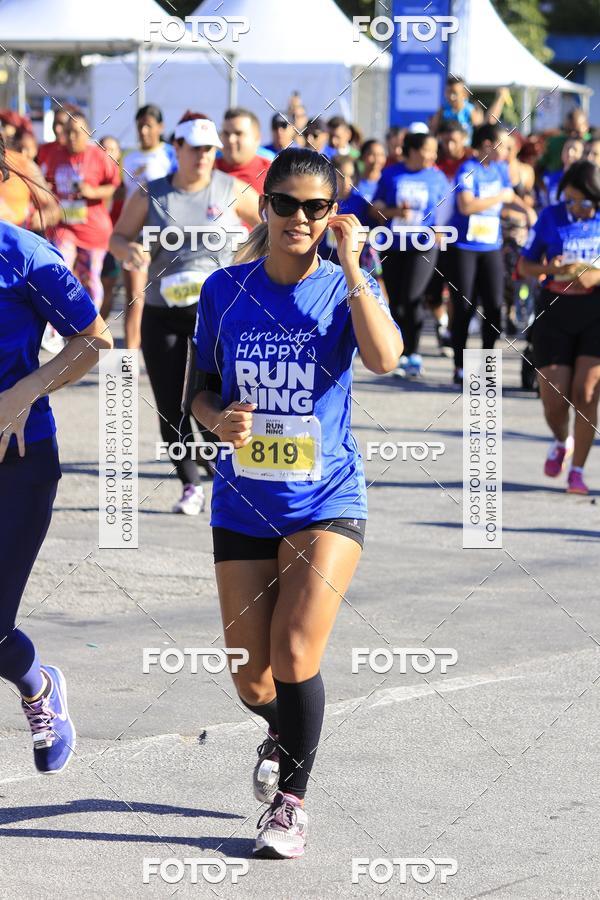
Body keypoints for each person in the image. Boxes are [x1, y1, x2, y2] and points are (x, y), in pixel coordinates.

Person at [191, 147, 402, 859]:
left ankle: (291, 804)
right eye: (286, 203)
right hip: (243, 501)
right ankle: (281, 730)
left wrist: (353, 268)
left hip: (328, 498)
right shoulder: (224, 289)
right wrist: (217, 420)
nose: (300, 218)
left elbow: (385, 359)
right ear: (267, 205)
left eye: (317, 207)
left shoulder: (350, 286)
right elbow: (200, 390)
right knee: (251, 676)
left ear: (332, 214)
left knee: (293, 649)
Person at [0, 132, 113, 774]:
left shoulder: (23, 254)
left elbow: (93, 342)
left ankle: (40, 687)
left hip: (19, 460)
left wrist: (24, 388)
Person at [110, 113, 261, 514]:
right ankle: (190, 484)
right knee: (171, 402)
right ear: (176, 148)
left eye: (210, 149)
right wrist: (129, 251)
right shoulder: (151, 193)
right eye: (195, 148)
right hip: (164, 313)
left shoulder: (231, 188)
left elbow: (268, 229)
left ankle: (224, 475)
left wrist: (248, 264)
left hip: (217, 316)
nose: (204, 156)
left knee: (216, 399)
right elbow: (118, 237)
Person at [519, 160, 600, 495]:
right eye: (571, 200)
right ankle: (559, 440)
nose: (576, 208)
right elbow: (525, 265)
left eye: (584, 202)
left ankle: (578, 471)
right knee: (554, 399)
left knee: (586, 392)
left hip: (596, 312)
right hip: (554, 309)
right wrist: (548, 267)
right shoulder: (551, 216)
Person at [373, 131, 450, 377]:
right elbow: (377, 208)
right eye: (428, 150)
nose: (433, 155)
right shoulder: (392, 173)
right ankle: (400, 352)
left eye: (434, 151)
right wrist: (395, 211)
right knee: (396, 300)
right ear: (413, 151)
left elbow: (448, 209)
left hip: (424, 245)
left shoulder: (437, 178)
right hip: (394, 245)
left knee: (413, 296)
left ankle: (414, 353)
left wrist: (441, 228)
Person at [446, 124, 514, 385]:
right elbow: (466, 206)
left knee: (495, 307)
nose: (506, 151)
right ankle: (460, 366)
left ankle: (487, 366)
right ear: (487, 144)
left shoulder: (500, 169)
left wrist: (526, 210)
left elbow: (509, 199)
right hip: (465, 248)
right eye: (502, 145)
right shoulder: (467, 169)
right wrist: (500, 197)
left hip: (491, 247)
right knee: (464, 307)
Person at [43, 110, 120, 311]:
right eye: (68, 132)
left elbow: (114, 186)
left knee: (90, 277)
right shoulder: (56, 155)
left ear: (87, 133)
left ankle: (91, 324)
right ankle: (55, 329)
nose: (70, 137)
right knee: (59, 271)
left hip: (93, 229)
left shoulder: (98, 156)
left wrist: (92, 191)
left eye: (76, 132)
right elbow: (48, 185)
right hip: (65, 225)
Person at [119, 105, 177, 349]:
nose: (143, 130)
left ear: (160, 127)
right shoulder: (128, 156)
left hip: (165, 235)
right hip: (136, 235)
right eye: (140, 125)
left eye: (149, 125)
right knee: (135, 297)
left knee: (167, 299)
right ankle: (126, 370)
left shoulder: (171, 155)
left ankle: (167, 358)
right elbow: (121, 191)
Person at [98, 135, 125, 328]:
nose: (107, 153)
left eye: (112, 149)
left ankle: (97, 328)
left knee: (108, 287)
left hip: (113, 242)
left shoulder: (125, 183)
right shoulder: (90, 179)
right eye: (102, 148)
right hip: (90, 241)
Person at [217, 108, 273, 194]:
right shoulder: (206, 169)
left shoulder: (273, 174)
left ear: (257, 138)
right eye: (226, 133)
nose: (231, 139)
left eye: (238, 133)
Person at [538, 108, 591, 175]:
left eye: (577, 131)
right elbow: (537, 169)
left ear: (586, 127)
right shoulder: (554, 143)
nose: (572, 134)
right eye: (568, 131)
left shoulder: (594, 144)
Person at [540, 137, 584, 208]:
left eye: (575, 150)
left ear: (582, 155)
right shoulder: (550, 177)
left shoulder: (585, 180)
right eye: (567, 148)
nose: (570, 153)